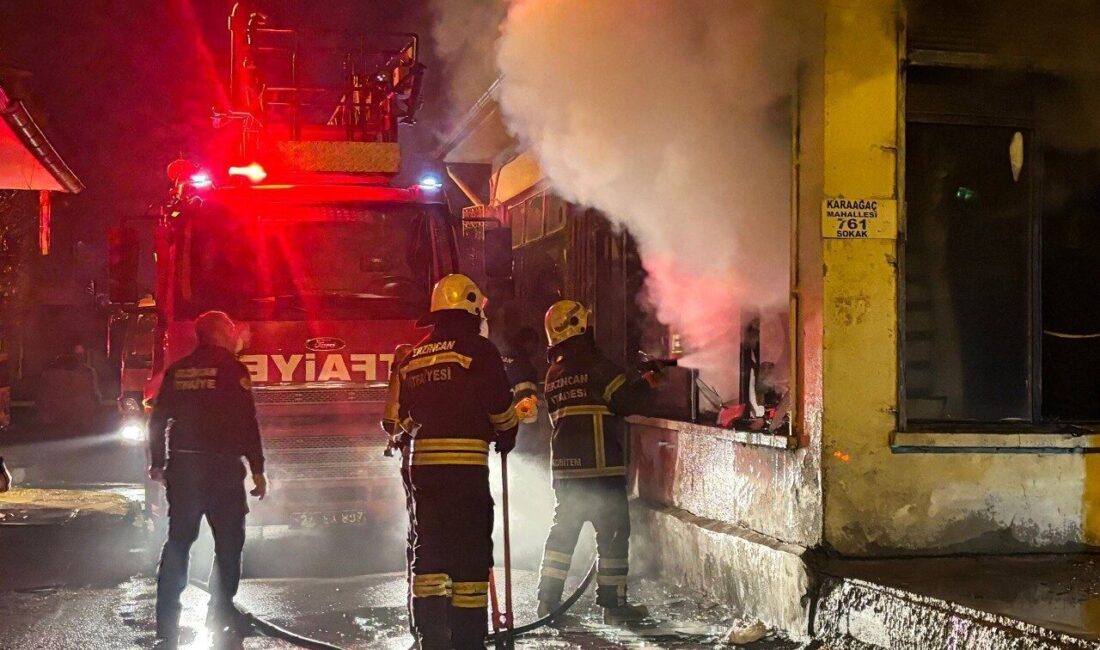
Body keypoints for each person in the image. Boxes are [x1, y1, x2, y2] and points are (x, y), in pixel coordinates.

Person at [397, 273, 518, 650]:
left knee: (430, 549)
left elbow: (403, 418)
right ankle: (467, 638)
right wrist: (507, 433)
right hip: (465, 470)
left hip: (423, 472)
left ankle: (431, 636)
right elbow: (499, 406)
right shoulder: (479, 350)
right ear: (469, 306)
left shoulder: (416, 354)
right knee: (469, 552)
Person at [536, 300, 659, 624]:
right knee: (614, 534)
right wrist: (647, 382)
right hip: (600, 468)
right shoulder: (596, 365)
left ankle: (547, 601)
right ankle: (613, 606)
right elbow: (626, 401)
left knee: (562, 534)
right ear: (578, 326)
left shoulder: (554, 373)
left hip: (566, 471)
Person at [148, 310, 267, 642]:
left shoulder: (179, 370)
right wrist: (257, 469)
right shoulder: (232, 368)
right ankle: (221, 612)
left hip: (184, 470)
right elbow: (247, 422)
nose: (234, 333)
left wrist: (158, 461)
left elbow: (157, 420)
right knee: (229, 544)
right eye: (230, 328)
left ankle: (165, 620)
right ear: (218, 333)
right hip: (222, 470)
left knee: (179, 542)